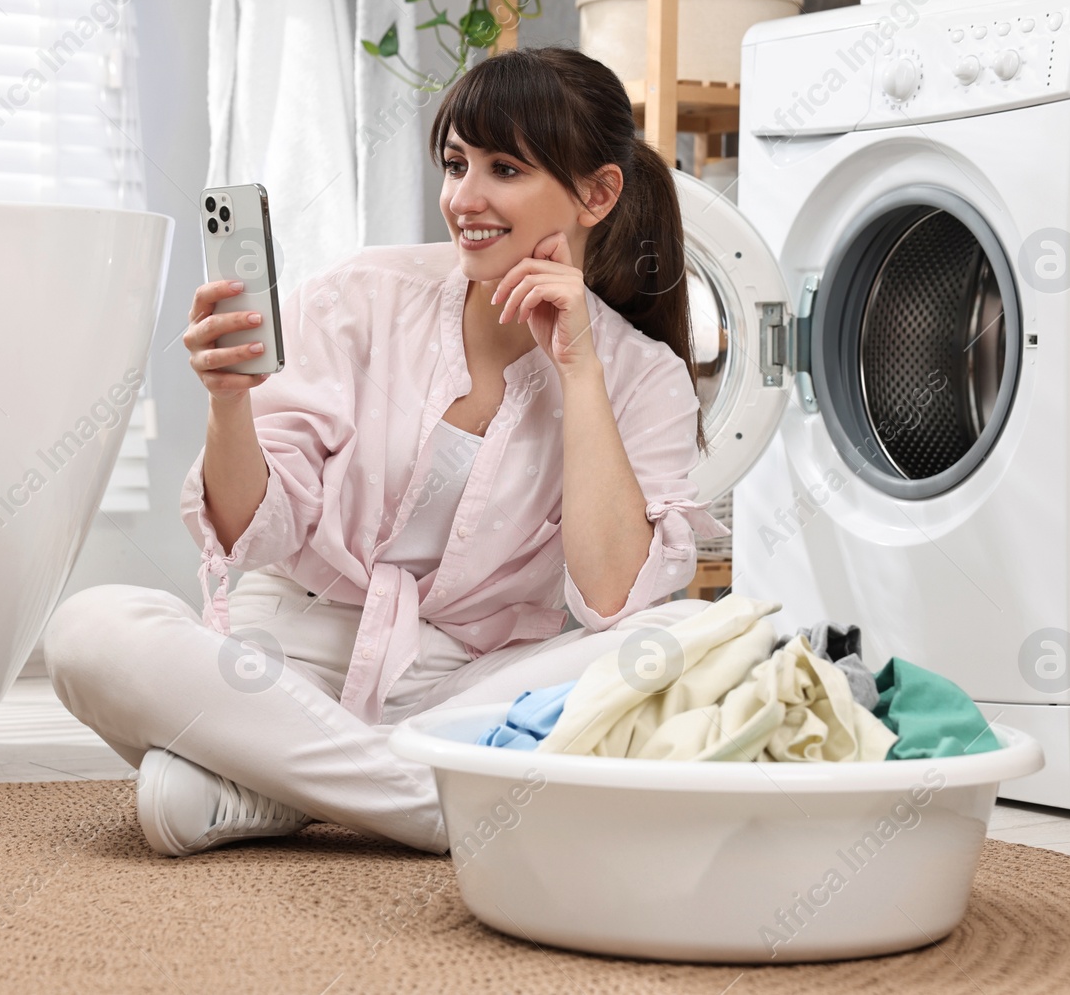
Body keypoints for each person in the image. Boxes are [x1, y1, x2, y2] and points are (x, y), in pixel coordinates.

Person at [42, 45, 728, 858]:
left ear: (596, 193)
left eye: (504, 169)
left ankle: (274, 781)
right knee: (88, 628)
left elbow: (613, 600)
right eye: (454, 163)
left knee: (684, 633)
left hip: (475, 678)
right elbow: (249, 533)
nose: (463, 198)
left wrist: (580, 372)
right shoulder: (360, 296)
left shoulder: (644, 377)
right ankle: (432, 798)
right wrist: (230, 404)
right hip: (296, 653)